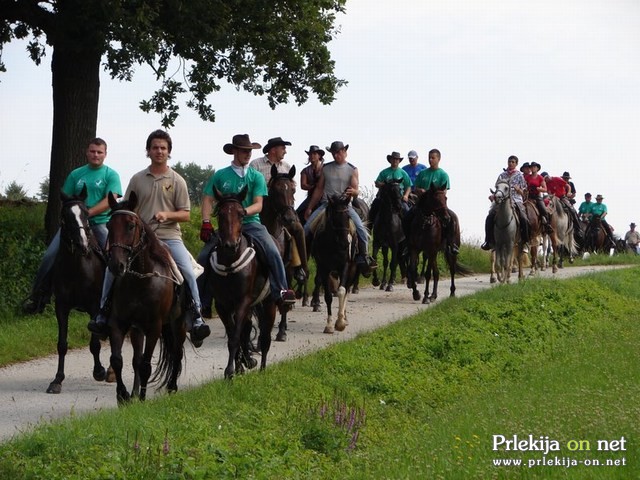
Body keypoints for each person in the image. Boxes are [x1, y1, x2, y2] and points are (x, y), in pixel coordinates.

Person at [88, 130, 211, 345]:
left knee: (188, 272)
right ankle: (103, 314)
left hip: (170, 237)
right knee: (111, 270)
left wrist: (167, 215)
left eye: (163, 148)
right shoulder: (137, 178)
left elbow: (186, 214)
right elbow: (125, 208)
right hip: (139, 238)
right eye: (155, 147)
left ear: (169, 151)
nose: (159, 151)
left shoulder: (177, 180)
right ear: (148, 151)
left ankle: (197, 317)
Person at [23, 138, 122, 314]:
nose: (96, 155)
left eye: (99, 152)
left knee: (114, 255)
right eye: (92, 151)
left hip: (99, 224)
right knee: (50, 256)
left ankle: (117, 300)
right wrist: (76, 216)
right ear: (87, 152)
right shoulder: (76, 174)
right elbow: (66, 198)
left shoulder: (110, 175)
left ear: (105, 154)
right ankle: (38, 297)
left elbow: (111, 199)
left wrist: (88, 213)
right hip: (74, 226)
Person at [201, 134, 296, 308]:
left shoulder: (256, 176)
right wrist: (206, 222)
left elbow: (259, 205)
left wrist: (242, 212)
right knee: (203, 257)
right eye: (244, 151)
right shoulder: (221, 175)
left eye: (250, 151)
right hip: (226, 227)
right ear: (234, 151)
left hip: (251, 223)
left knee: (273, 251)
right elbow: (207, 198)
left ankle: (281, 291)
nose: (248, 154)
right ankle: (202, 302)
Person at [303, 140, 377, 275]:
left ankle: (364, 257)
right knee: (306, 228)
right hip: (327, 204)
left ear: (344, 152)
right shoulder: (326, 168)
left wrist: (354, 192)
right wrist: (310, 207)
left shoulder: (352, 169)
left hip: (345, 206)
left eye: (338, 152)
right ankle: (302, 262)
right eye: (333, 153)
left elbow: (356, 190)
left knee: (361, 229)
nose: (335, 155)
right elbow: (319, 189)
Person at [249, 135, 307, 284]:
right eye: (283, 148)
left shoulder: (286, 166)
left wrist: (290, 189)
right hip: (261, 208)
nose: (285, 151)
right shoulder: (256, 165)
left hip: (284, 210)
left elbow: (292, 189)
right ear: (273, 150)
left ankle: (301, 267)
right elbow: (250, 186)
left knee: (298, 229)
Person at [411, 148, 459, 254]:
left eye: (433, 158)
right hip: (422, 205)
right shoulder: (423, 173)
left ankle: (451, 244)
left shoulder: (443, 175)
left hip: (438, 205)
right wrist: (420, 191)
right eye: (429, 158)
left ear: (439, 159)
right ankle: (407, 243)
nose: (430, 160)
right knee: (407, 216)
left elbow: (444, 192)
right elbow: (415, 188)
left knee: (452, 218)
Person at [481, 155, 529, 251]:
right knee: (490, 216)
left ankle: (525, 242)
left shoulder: (520, 175)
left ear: (516, 164)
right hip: (502, 200)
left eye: (513, 162)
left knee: (524, 218)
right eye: (509, 161)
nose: (510, 163)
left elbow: (524, 192)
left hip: (516, 199)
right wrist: (493, 195)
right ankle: (489, 241)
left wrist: (518, 189)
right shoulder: (502, 175)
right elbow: (498, 189)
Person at [369, 151, 412, 226]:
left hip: (399, 198)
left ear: (399, 161)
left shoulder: (403, 173)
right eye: (394, 159)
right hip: (384, 198)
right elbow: (377, 183)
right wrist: (385, 184)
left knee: (407, 210)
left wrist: (406, 195)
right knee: (374, 206)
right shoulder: (384, 172)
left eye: (397, 159)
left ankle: (408, 232)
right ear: (390, 160)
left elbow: (408, 186)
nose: (395, 160)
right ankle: (370, 227)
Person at [295, 145, 325, 224]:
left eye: (314, 154)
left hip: (325, 196)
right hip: (311, 197)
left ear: (319, 156)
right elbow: (303, 185)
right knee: (297, 214)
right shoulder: (305, 171)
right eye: (310, 154)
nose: (312, 156)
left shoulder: (325, 168)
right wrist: (312, 186)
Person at [524, 162, 552, 232]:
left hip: (537, 197)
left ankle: (547, 225)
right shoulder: (527, 177)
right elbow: (524, 185)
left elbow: (545, 189)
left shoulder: (540, 178)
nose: (533, 168)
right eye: (532, 167)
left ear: (537, 168)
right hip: (528, 196)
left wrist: (540, 189)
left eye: (534, 167)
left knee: (543, 210)